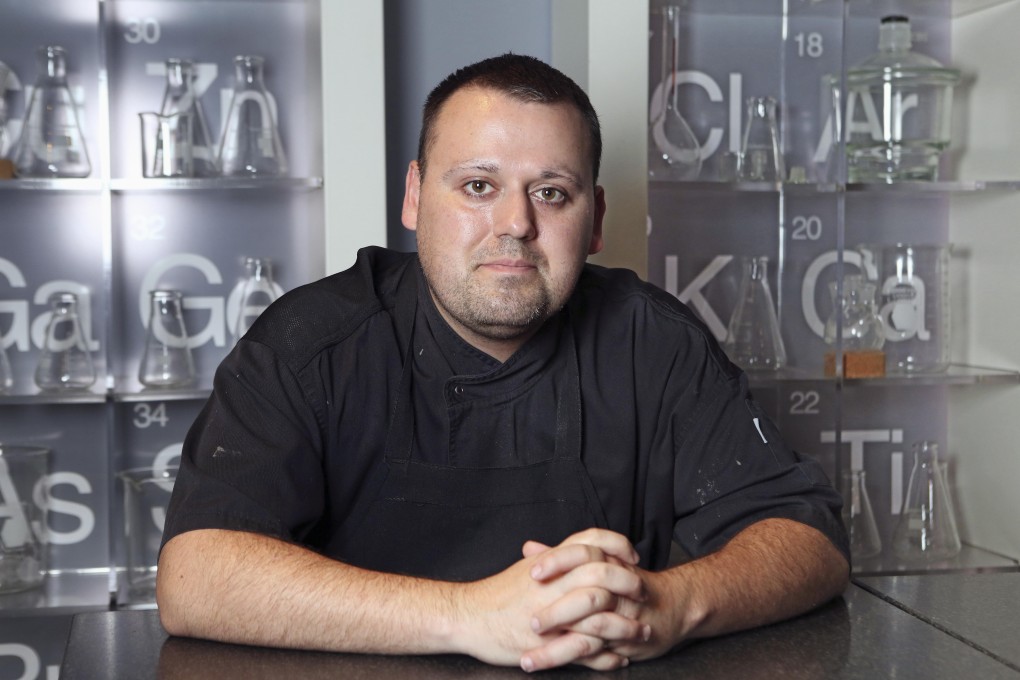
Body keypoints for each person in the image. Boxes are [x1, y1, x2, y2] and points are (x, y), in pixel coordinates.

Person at [156, 53, 849, 672]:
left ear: (595, 218)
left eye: (551, 192)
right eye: (479, 186)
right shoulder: (312, 343)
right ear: (415, 196)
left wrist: (672, 603)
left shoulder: (654, 342)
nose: (516, 223)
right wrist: (471, 616)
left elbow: (808, 542)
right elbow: (195, 577)